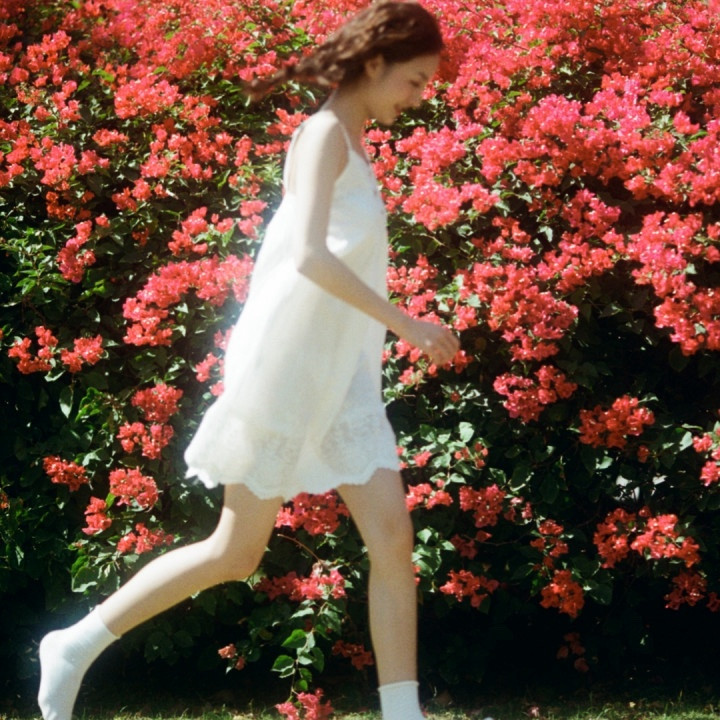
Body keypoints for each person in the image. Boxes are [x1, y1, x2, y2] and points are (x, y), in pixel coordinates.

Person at [38, 2, 459, 719]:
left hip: (340, 378)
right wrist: (407, 324)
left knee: (392, 540)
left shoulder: (353, 142)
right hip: (288, 370)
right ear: (375, 62)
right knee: (235, 552)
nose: (419, 97)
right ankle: (74, 645)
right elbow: (308, 257)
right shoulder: (323, 136)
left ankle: (403, 714)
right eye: (415, 80)